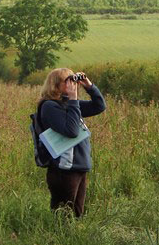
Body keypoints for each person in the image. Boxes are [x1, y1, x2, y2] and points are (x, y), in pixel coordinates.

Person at [37, 68, 107, 217]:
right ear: (56, 85)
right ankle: (56, 240)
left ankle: (72, 240)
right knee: (64, 216)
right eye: (68, 81)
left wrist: (89, 86)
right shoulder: (50, 106)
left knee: (77, 214)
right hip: (64, 169)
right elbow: (72, 131)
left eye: (73, 80)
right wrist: (74, 99)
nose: (72, 84)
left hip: (79, 166)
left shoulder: (67, 104)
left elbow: (99, 106)